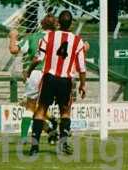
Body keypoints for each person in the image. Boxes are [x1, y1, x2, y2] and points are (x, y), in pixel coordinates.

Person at [28, 10, 87, 155]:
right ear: (71, 24)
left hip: (49, 78)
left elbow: (39, 58)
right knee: (65, 112)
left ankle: (34, 147)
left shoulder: (48, 36)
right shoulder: (78, 41)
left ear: (58, 23)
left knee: (41, 110)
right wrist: (83, 84)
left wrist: (29, 70)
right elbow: (82, 66)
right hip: (65, 80)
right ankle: (64, 143)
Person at [8, 14, 59, 144]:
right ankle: (53, 128)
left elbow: (13, 50)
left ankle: (25, 137)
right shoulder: (59, 39)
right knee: (41, 107)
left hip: (36, 73)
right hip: (54, 75)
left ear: (41, 24)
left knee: (30, 107)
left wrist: (13, 36)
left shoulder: (32, 38)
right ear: (55, 25)